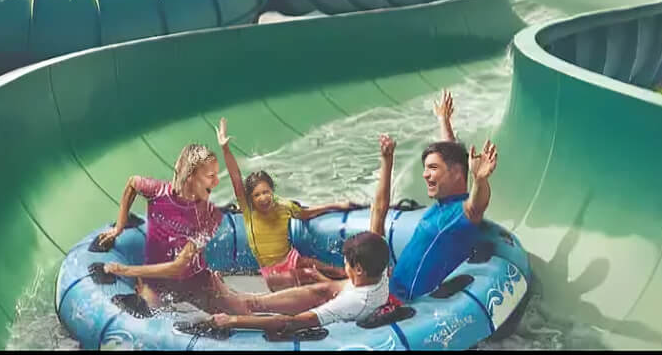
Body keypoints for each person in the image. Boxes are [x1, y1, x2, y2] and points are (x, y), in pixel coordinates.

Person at [205, 134, 399, 333]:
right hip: (332, 289)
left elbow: (290, 323)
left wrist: (233, 321)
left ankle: (233, 307)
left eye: (347, 262)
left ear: (358, 269)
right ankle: (236, 299)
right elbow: (379, 209)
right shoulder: (378, 267)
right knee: (316, 284)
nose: (345, 263)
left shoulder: (350, 302)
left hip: (333, 298)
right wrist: (387, 159)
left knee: (261, 302)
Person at [96, 140, 250, 315]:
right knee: (145, 317)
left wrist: (125, 270)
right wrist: (119, 227)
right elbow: (133, 183)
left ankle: (223, 286)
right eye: (210, 176)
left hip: (196, 280)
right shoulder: (158, 191)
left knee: (242, 313)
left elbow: (178, 266)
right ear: (191, 177)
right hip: (157, 283)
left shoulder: (208, 216)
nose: (216, 181)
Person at [216, 118, 354, 290]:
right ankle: (340, 289)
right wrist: (225, 149)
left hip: (291, 259)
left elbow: (306, 214)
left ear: (272, 191)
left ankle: (349, 276)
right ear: (250, 198)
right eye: (257, 195)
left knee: (317, 265)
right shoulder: (249, 210)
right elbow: (236, 179)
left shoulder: (284, 206)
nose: (263, 198)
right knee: (309, 274)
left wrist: (336, 206)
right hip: (272, 273)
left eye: (266, 192)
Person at [387, 91, 499, 302]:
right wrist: (443, 120)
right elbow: (449, 158)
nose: (424, 174)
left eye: (432, 168)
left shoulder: (460, 213)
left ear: (456, 173)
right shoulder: (443, 203)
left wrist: (480, 179)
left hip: (402, 304)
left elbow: (477, 206)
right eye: (425, 168)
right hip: (388, 290)